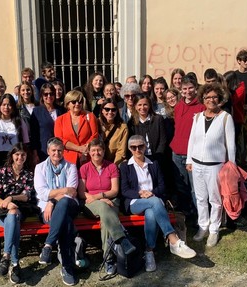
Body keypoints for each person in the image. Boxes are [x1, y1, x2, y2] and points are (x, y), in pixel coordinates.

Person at [120, 135, 196, 272]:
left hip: (153, 201)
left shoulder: (154, 164)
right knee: (154, 202)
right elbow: (124, 190)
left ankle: (149, 252)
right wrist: (140, 193)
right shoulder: (125, 166)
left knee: (151, 213)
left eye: (140, 146)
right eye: (133, 147)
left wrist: (152, 193)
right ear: (130, 149)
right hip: (135, 202)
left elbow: (162, 186)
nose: (137, 150)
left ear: (145, 146)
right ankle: (173, 239)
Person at [186, 83, 236, 247]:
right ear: (203, 99)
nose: (211, 100)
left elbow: (231, 145)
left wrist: (232, 166)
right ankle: (203, 226)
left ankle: (214, 229)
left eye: (214, 97)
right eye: (208, 97)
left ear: (220, 99)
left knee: (215, 199)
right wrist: (189, 160)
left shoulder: (225, 118)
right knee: (200, 198)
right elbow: (192, 140)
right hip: (197, 163)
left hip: (216, 165)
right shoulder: (198, 117)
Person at [78, 138, 136, 275]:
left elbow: (115, 191)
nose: (96, 153)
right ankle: (122, 239)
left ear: (104, 151)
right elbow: (81, 193)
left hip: (111, 201)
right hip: (90, 204)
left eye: (99, 150)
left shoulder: (111, 167)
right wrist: (100, 200)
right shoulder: (84, 168)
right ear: (89, 152)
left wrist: (100, 197)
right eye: (93, 150)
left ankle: (108, 259)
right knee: (104, 209)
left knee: (105, 221)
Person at [34, 137, 79, 286]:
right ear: (48, 151)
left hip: (69, 206)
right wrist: (61, 192)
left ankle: (48, 244)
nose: (57, 153)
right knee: (64, 223)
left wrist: (52, 200)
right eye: (53, 150)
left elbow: (71, 192)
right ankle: (67, 267)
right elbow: (42, 193)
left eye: (60, 150)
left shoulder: (71, 167)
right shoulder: (39, 168)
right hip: (47, 210)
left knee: (65, 202)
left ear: (63, 151)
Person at [0, 143, 34, 284]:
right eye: (17, 154)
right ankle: (15, 264)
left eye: (23, 154)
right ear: (12, 156)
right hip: (2, 210)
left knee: (14, 213)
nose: (20, 157)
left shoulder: (28, 174)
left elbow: (26, 196)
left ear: (26, 157)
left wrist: (11, 198)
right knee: (13, 221)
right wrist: (6, 203)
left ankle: (6, 256)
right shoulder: (1, 173)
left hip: (21, 209)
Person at [170, 76, 205, 215]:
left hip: (193, 154)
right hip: (177, 153)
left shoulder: (201, 106)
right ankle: (186, 212)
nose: (188, 91)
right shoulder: (178, 106)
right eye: (184, 89)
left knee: (196, 188)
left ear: (196, 88)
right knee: (181, 186)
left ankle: (199, 216)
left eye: (190, 88)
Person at [54, 90, 99, 166]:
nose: (77, 104)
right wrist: (79, 148)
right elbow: (60, 140)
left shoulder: (90, 116)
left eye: (80, 101)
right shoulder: (60, 120)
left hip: (87, 157)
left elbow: (94, 135)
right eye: (74, 102)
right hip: (67, 159)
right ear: (68, 104)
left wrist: (85, 149)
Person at [0, 94, 29, 169]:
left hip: (17, 158)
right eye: (4, 105)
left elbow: (25, 142)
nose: (6, 107)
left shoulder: (20, 121)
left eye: (9, 105)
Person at [30, 83, 65, 163]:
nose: (49, 96)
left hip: (60, 150)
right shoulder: (37, 111)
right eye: (46, 94)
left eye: (51, 94)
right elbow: (34, 134)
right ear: (42, 95)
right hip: (43, 150)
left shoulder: (61, 110)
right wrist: (35, 154)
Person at [127, 94, 167, 163]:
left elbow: (163, 140)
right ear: (135, 106)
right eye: (139, 105)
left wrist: (158, 157)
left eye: (145, 104)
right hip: (140, 159)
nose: (142, 107)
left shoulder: (158, 119)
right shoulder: (132, 123)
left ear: (149, 106)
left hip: (157, 158)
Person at [99, 98, 128, 165]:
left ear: (117, 111)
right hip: (97, 161)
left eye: (113, 110)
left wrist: (113, 166)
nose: (110, 112)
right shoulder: (96, 123)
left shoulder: (122, 127)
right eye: (107, 109)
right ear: (102, 110)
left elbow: (121, 151)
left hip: (113, 162)